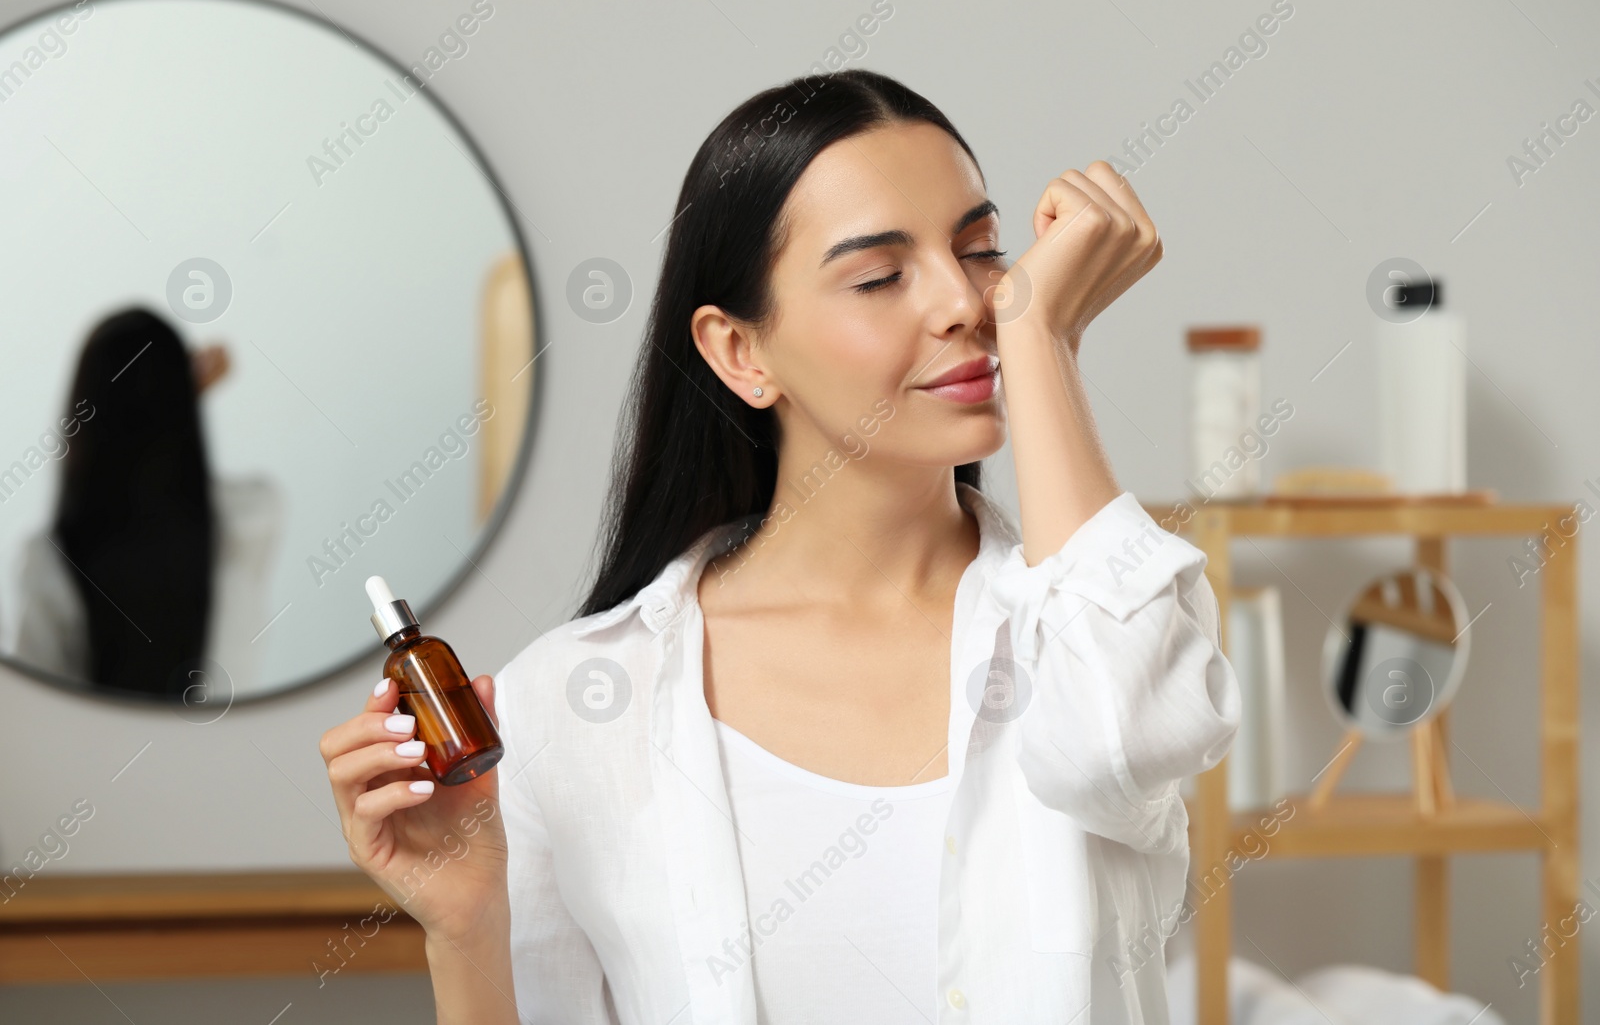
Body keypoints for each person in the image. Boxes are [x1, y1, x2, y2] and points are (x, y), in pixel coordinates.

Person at [321, 69, 1240, 1024]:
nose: (967, 303)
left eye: (981, 251)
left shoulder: (1085, 635)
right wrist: (464, 927)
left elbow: (1133, 739)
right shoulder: (578, 705)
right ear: (738, 353)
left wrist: (1043, 339)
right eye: (881, 275)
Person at [13, 308, 282, 698]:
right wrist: (175, 401)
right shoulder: (247, 521)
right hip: (223, 758)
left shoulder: (51, 560)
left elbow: (38, 713)